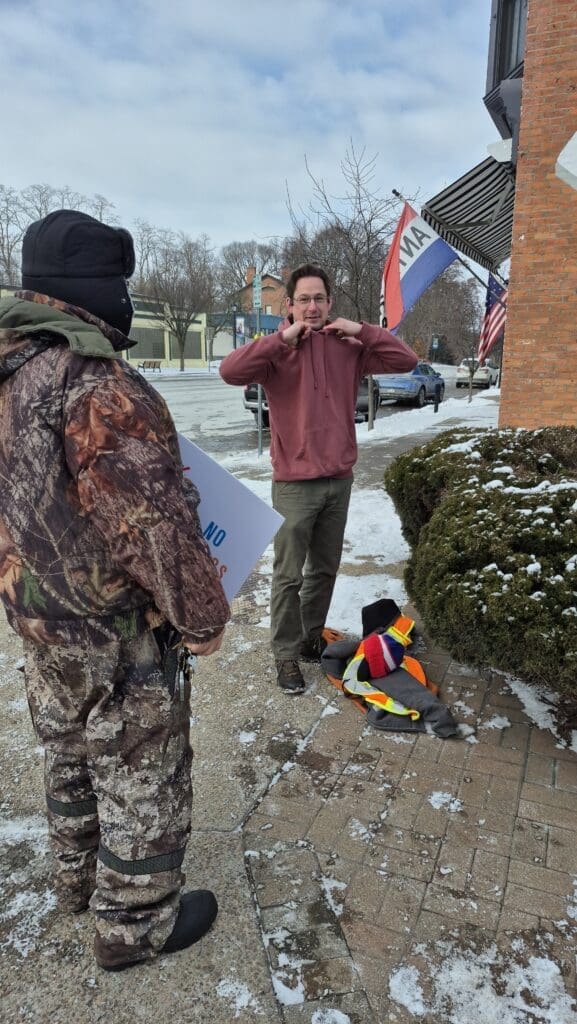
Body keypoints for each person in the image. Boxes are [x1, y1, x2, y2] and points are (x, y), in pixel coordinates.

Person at [0, 210, 230, 971]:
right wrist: (200, 617)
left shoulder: (10, 370)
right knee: (137, 764)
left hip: (37, 619)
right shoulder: (95, 383)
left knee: (67, 750)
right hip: (110, 626)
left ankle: (75, 877)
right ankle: (133, 927)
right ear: (100, 292)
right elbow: (154, 525)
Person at [220, 263, 417, 694]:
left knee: (324, 569)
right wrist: (279, 340)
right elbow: (230, 371)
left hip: (339, 479)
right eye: (304, 299)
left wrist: (361, 330)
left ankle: (310, 637)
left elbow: (407, 359)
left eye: (320, 299)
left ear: (330, 304)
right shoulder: (275, 352)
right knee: (288, 574)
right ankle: (285, 655)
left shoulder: (348, 345)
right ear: (289, 305)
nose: (312, 307)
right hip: (293, 483)